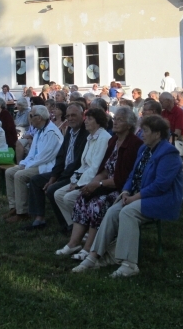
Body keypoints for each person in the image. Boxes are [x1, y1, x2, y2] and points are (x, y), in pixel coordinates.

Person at [72, 115, 183, 277]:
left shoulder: (169, 153)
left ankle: (129, 264)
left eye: (145, 131)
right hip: (139, 196)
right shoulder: (144, 149)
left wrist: (134, 197)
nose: (142, 134)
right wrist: (125, 191)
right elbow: (133, 175)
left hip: (161, 199)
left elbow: (161, 185)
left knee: (128, 212)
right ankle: (93, 256)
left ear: (157, 134)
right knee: (112, 212)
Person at [56, 107, 143, 260]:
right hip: (106, 184)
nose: (115, 122)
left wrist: (99, 185)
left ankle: (89, 247)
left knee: (97, 204)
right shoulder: (114, 140)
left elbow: (122, 179)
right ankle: (73, 243)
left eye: (120, 120)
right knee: (83, 197)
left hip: (122, 189)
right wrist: (92, 184)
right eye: (115, 119)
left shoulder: (134, 144)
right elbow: (104, 169)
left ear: (129, 125)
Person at [25, 103, 88, 232]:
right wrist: (53, 177)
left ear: (82, 116)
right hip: (64, 172)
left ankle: (67, 225)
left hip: (76, 174)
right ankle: (39, 218)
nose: (70, 118)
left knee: (52, 189)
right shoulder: (70, 131)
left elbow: (77, 162)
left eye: (74, 115)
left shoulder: (85, 134)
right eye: (68, 116)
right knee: (36, 180)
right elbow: (61, 156)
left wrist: (58, 179)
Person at [53, 108, 111, 239]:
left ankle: (84, 230)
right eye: (86, 118)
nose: (86, 121)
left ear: (98, 122)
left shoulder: (104, 138)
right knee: (58, 194)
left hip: (95, 180)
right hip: (84, 177)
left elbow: (95, 168)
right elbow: (83, 165)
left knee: (68, 198)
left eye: (90, 119)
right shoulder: (90, 137)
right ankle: (75, 228)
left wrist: (78, 184)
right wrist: (74, 181)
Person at [4, 105, 64, 222]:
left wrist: (26, 166)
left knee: (20, 175)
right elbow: (32, 153)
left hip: (46, 166)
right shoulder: (39, 130)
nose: (29, 118)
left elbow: (44, 157)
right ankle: (14, 206)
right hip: (35, 163)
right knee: (9, 172)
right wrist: (23, 163)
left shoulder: (51, 132)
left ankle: (22, 212)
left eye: (31, 115)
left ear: (39, 118)